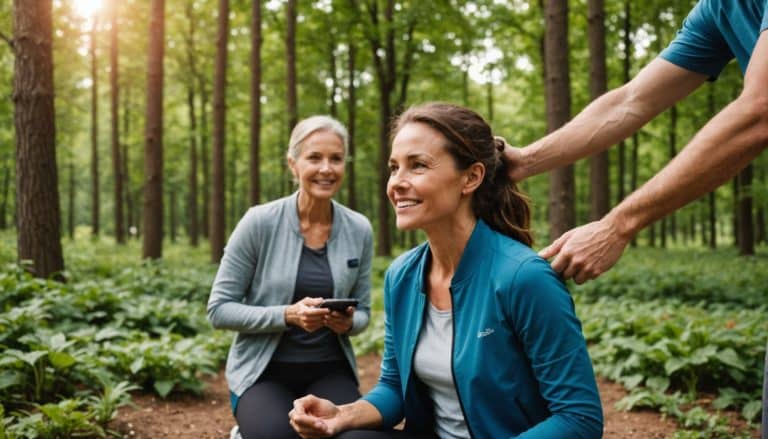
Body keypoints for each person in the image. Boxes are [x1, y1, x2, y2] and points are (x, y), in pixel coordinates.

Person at [501, 1, 767, 436]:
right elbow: (632, 100)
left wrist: (618, 224)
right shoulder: (719, 8)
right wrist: (525, 161)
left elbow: (760, 109)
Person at [289, 103, 603, 439]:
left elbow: (578, 418)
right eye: (394, 168)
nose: (397, 182)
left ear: (471, 177)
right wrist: (343, 414)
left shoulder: (524, 277)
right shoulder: (402, 276)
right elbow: (395, 387)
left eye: (418, 166)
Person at [207, 115, 373, 439]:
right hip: (264, 374)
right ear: (293, 164)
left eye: (336, 159)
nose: (326, 168)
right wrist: (288, 315)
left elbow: (364, 311)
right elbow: (219, 309)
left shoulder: (359, 229)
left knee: (356, 436)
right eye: (314, 157)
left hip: (330, 369)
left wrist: (349, 323)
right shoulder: (259, 222)